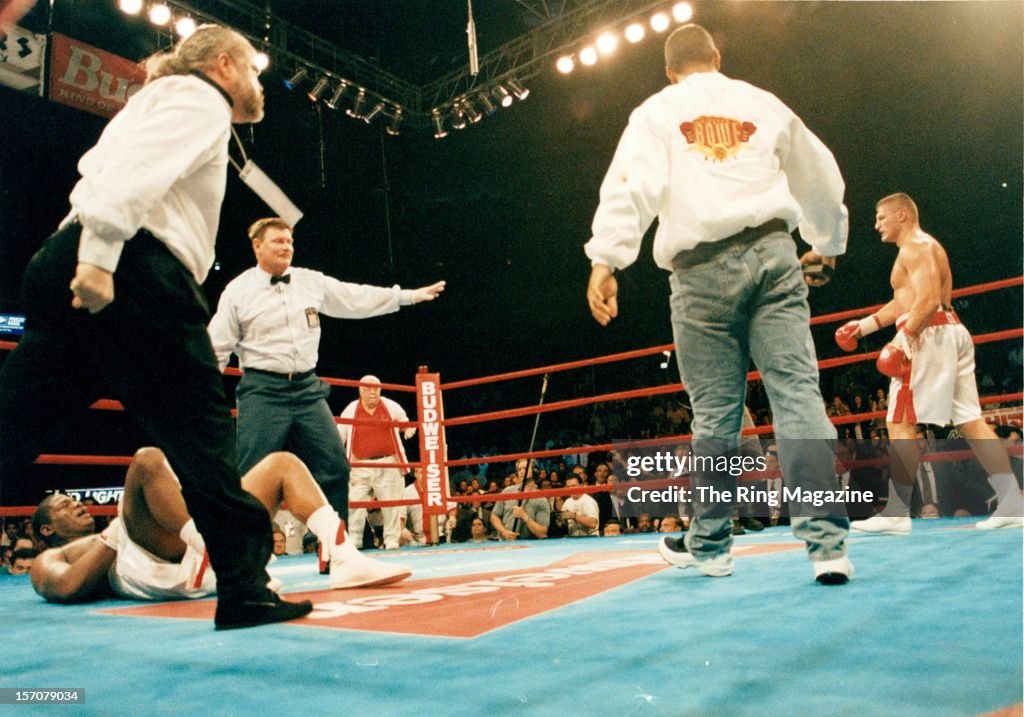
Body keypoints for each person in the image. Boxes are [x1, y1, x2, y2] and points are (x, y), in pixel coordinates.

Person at [0, 25, 310, 629]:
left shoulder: (159, 97)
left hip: (81, 259)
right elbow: (134, 171)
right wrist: (101, 253)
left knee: (12, 421)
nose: (257, 82)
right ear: (224, 64)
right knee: (203, 436)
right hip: (133, 271)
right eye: (251, 69)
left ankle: (246, 585)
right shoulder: (200, 99)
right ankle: (245, 588)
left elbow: (110, 166)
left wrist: (91, 251)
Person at [584, 24, 852, 584]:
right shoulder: (761, 102)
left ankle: (710, 547)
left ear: (669, 70)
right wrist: (826, 242)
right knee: (798, 394)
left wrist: (606, 260)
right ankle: (828, 546)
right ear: (717, 56)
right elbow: (819, 173)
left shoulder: (657, 111)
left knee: (716, 415)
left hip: (700, 272)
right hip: (775, 255)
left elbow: (630, 184)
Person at [208, 218, 444, 518]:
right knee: (252, 473)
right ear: (257, 246)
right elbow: (216, 347)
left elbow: (355, 297)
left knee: (335, 466)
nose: (286, 247)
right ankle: (244, 551)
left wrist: (405, 297)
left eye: (289, 241)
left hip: (307, 388)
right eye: (278, 241)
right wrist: (201, 398)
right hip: (262, 389)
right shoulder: (237, 291)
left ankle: (336, 549)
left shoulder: (309, 281)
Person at [835, 192, 1023, 533]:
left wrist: (902, 341)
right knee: (969, 420)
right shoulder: (919, 248)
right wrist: (863, 327)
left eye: (881, 218)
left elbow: (927, 300)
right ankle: (1013, 501)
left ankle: (895, 512)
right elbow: (902, 302)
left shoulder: (915, 247)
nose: (876, 225)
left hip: (928, 334)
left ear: (902, 215)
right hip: (947, 331)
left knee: (900, 420)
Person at [29, 447, 410, 604]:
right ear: (47, 529)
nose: (77, 504)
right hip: (151, 560)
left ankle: (344, 556)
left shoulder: (131, 522)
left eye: (75, 499)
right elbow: (64, 586)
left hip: (185, 537)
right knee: (147, 459)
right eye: (64, 505)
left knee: (281, 463)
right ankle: (218, 549)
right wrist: (114, 535)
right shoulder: (58, 556)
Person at [338, 375, 416, 550]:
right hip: (360, 465)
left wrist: (407, 429)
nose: (373, 392)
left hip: (388, 462)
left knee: (391, 504)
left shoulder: (390, 405)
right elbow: (339, 435)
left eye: (376, 388)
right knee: (355, 503)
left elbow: (405, 421)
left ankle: (391, 542)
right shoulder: (351, 409)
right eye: (368, 388)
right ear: (360, 390)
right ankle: (354, 542)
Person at [490, 459, 550, 540]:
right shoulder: (507, 491)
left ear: (534, 471)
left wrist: (525, 516)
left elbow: (542, 533)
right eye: (519, 469)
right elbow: (494, 516)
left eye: (525, 468)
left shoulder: (541, 499)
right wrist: (503, 531)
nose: (521, 472)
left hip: (529, 545)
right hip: (505, 543)